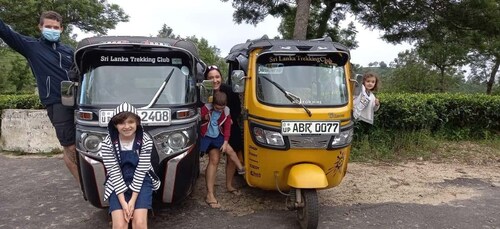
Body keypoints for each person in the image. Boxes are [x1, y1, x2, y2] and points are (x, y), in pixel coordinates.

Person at [0, 11, 78, 183]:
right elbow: (5, 31)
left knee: (84, 146)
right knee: (70, 147)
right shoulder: (31, 46)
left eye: (56, 27)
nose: (52, 30)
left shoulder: (69, 51)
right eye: (48, 27)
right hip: (56, 103)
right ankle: (85, 189)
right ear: (40, 27)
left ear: (61, 29)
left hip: (78, 102)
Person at [101, 102, 161, 228]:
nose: (126, 126)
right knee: (120, 225)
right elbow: (114, 172)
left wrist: (132, 201)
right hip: (117, 182)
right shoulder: (107, 143)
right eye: (122, 123)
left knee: (139, 223)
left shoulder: (145, 140)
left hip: (142, 180)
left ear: (137, 123)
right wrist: (124, 203)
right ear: (115, 125)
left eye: (131, 122)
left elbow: (141, 170)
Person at [203, 65, 245, 208]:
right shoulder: (202, 91)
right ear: (206, 80)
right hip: (211, 131)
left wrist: (229, 117)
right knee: (214, 158)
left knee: (233, 153)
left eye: (217, 77)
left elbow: (237, 108)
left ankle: (229, 185)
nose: (215, 80)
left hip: (227, 125)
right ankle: (210, 194)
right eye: (210, 77)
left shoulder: (229, 90)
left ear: (221, 77)